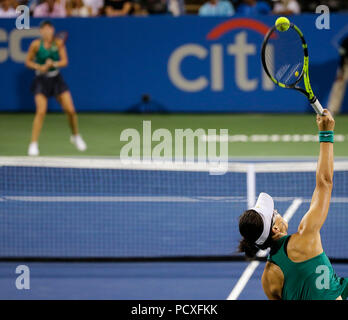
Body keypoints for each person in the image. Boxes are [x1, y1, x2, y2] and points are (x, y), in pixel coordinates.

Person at [238, 110, 348, 300]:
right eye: (274, 212)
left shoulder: (268, 279)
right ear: (274, 228)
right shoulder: (306, 236)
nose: (278, 212)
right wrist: (326, 133)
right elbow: (325, 183)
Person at [25, 20, 87, 156]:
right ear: (41, 31)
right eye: (45, 29)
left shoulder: (58, 43)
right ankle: (33, 144)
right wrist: (39, 67)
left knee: (70, 110)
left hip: (56, 79)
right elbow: (28, 62)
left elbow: (65, 61)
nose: (47, 32)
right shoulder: (35, 45)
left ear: (53, 30)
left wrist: (53, 62)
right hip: (41, 80)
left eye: (50, 29)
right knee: (41, 111)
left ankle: (75, 136)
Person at [328, 35, 348, 116]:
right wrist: (342, 70)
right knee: (338, 86)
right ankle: (332, 110)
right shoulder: (346, 40)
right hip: (346, 64)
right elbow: (342, 55)